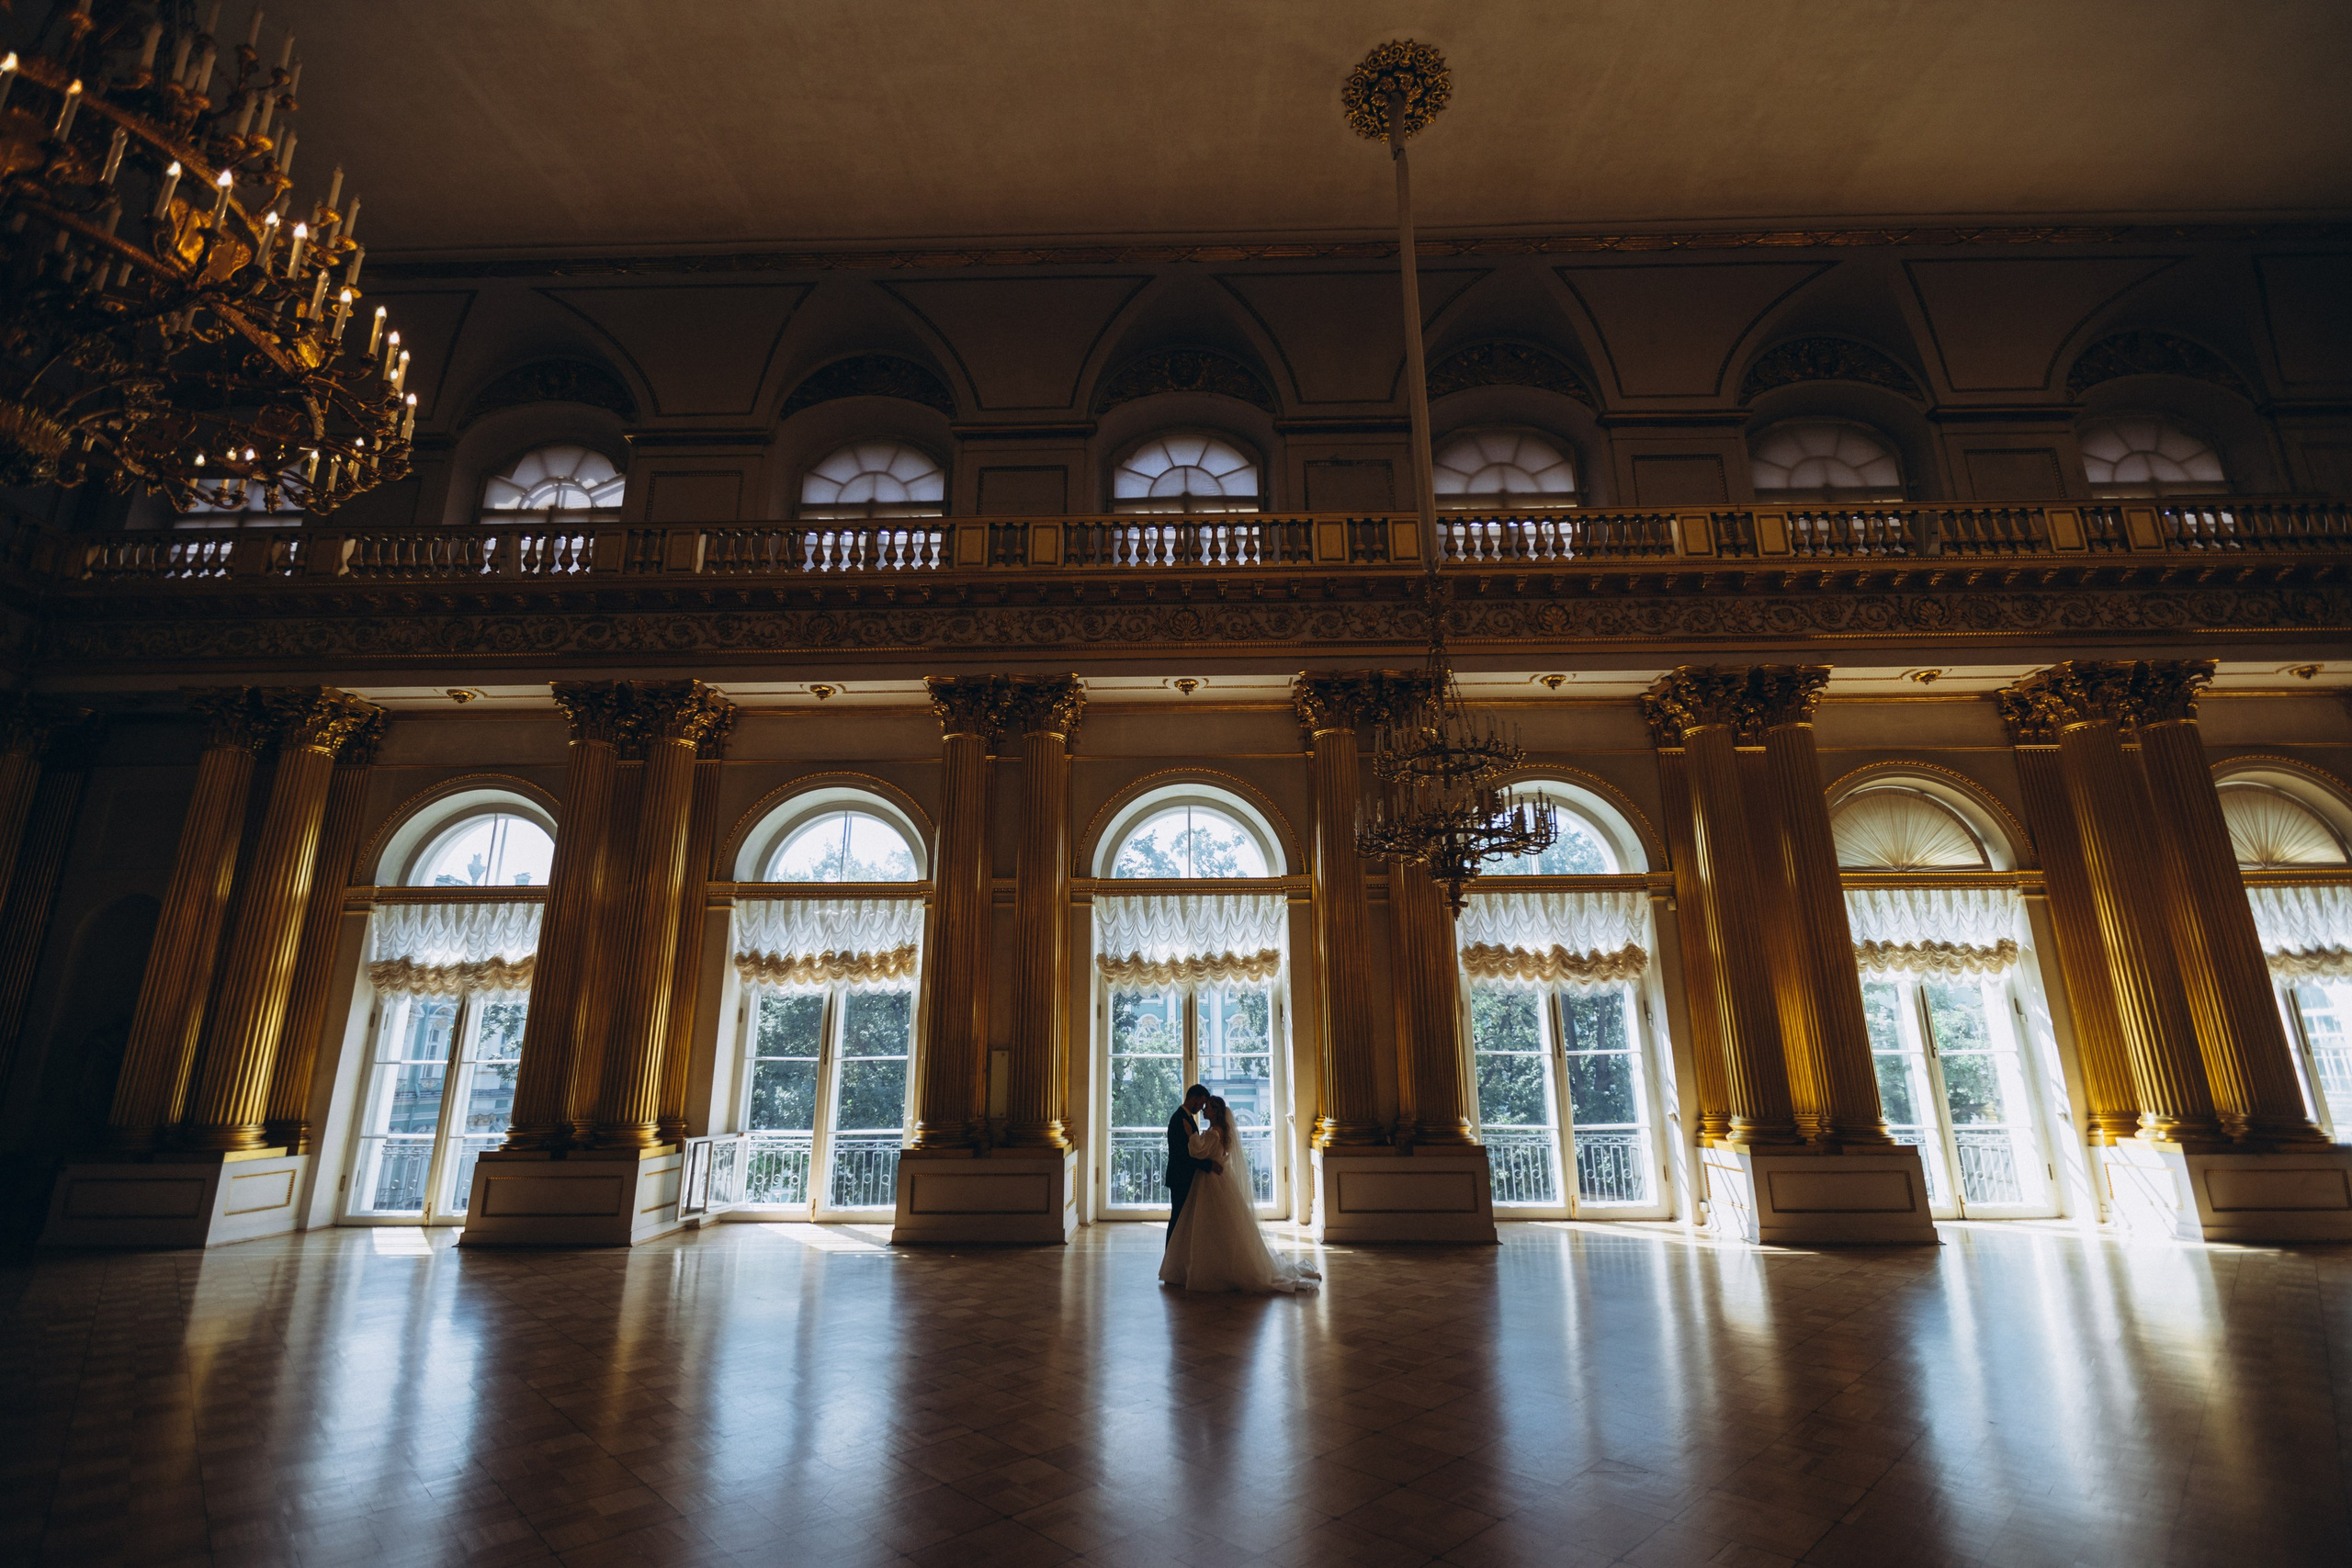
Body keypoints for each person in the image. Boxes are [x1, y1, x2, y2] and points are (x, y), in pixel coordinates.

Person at [1159, 1094, 1321, 1294]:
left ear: (1216, 1111)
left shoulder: (1213, 1133)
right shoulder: (1219, 1131)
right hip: (1214, 1178)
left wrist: (1191, 1136)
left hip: (1209, 1181)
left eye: (1207, 1107)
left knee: (1207, 1225)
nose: (1204, 1110)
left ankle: (1210, 1268)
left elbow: (1197, 1152)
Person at [1165, 1084, 1219, 1221]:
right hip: (1180, 1177)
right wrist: (1208, 1165)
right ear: (1195, 1098)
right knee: (1178, 1219)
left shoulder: (1186, 1118)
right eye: (1202, 1103)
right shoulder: (1180, 1119)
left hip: (1184, 1176)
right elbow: (1183, 1154)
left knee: (1183, 1219)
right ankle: (1172, 1243)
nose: (1202, 1108)